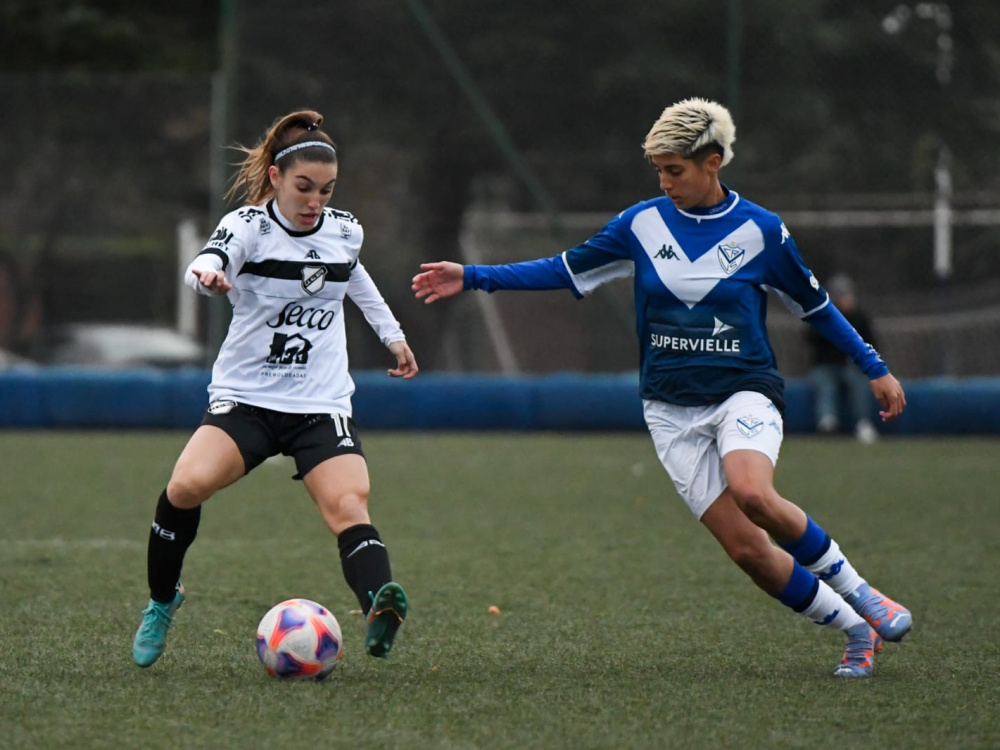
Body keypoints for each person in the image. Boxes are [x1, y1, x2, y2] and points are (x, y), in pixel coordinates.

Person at [412, 98, 911, 678]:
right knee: (749, 551)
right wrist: (472, 276)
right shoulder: (638, 225)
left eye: (675, 170)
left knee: (754, 493)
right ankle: (854, 630)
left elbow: (819, 309)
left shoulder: (763, 231)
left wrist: (874, 366)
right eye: (659, 171)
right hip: (670, 411)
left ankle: (864, 593)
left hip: (742, 391)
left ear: (713, 163)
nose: (665, 182)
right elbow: (562, 269)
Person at [132, 110, 418, 668]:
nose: (315, 201)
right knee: (185, 486)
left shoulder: (344, 229)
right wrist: (209, 277)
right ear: (276, 180)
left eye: (326, 190)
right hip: (249, 401)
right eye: (304, 188)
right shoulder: (247, 227)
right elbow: (207, 261)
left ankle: (378, 608)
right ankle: (162, 601)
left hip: (319, 404)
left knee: (348, 503)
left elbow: (354, 274)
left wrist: (394, 336)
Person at [806, 273, 880, 443]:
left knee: (859, 381)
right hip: (826, 366)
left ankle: (863, 422)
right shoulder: (821, 316)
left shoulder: (860, 318)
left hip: (851, 366)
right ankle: (827, 422)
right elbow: (811, 341)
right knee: (824, 383)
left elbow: (871, 344)